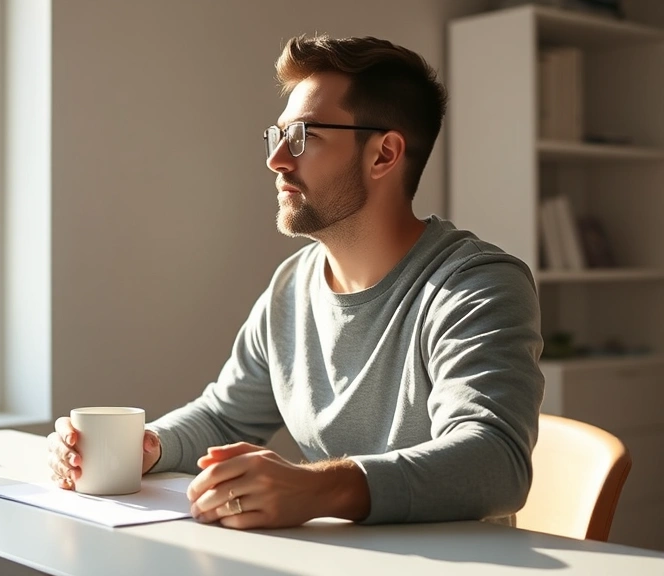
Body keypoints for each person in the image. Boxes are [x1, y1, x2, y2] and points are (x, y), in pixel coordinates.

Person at [47, 34, 543, 529]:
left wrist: (318, 487)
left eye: (304, 136)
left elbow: (495, 462)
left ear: (384, 155)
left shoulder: (475, 286)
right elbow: (226, 417)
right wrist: (149, 446)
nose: (277, 159)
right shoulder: (293, 284)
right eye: (277, 135)